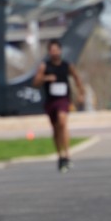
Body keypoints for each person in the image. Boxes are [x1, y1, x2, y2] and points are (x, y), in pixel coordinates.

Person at [32, 39, 84, 170]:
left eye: (56, 50)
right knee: (56, 129)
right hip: (51, 101)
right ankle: (60, 156)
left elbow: (77, 78)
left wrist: (81, 93)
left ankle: (67, 154)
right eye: (52, 50)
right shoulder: (44, 66)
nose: (54, 52)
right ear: (49, 52)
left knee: (62, 122)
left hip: (63, 99)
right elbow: (35, 83)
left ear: (60, 51)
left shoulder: (67, 65)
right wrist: (46, 78)